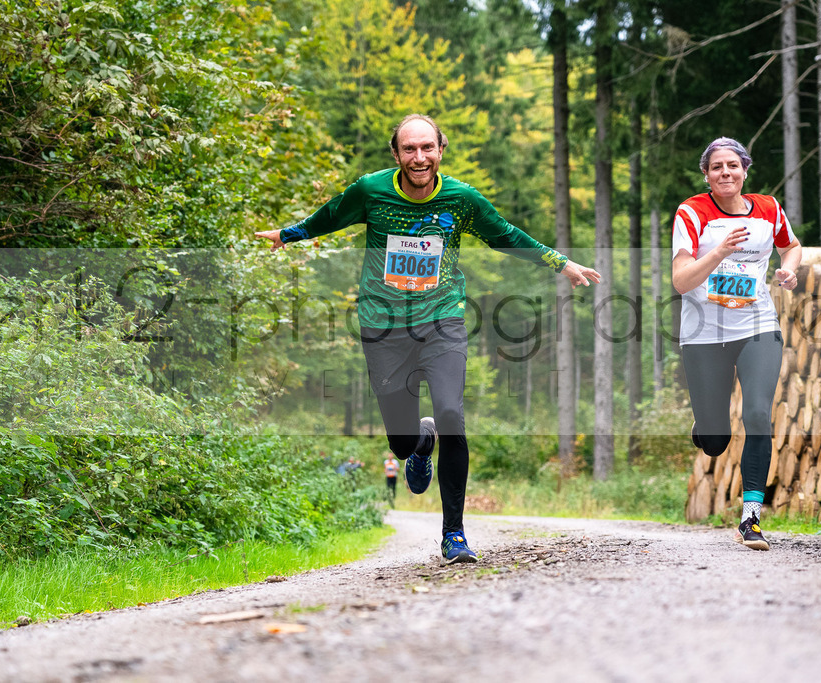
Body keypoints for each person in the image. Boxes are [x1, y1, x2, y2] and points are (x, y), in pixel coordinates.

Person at [256, 114, 600, 563]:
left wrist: (560, 263)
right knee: (399, 443)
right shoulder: (371, 190)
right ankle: (420, 443)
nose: (419, 158)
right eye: (409, 149)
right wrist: (289, 234)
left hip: (442, 320)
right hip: (383, 325)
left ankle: (453, 534)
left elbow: (504, 235)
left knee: (452, 412)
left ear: (440, 150)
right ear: (396, 154)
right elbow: (332, 216)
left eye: (427, 148)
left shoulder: (461, 199)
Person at [672, 136, 802, 551]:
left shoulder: (768, 208)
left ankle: (751, 518)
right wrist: (719, 253)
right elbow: (680, 281)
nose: (725, 173)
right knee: (715, 441)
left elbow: (792, 246)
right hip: (704, 334)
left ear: (745, 169)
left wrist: (787, 271)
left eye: (732, 165)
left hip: (757, 324)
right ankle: (707, 427)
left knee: (759, 413)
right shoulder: (692, 212)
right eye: (716, 167)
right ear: (706, 176)